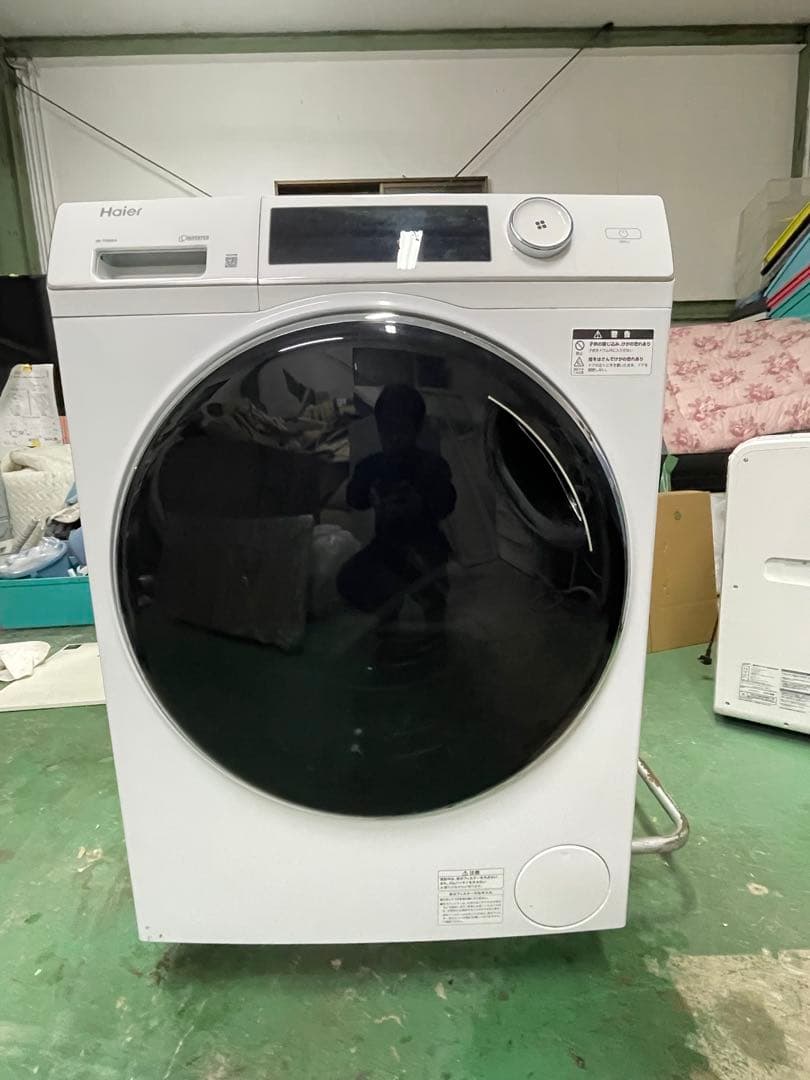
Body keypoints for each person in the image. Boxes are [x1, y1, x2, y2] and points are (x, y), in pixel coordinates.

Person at [337, 384, 456, 620]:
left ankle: (431, 614)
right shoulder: (372, 466)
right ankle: (389, 615)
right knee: (350, 580)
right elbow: (354, 499)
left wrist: (420, 504)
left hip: (425, 547)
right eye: (387, 428)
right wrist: (370, 494)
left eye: (401, 428)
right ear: (379, 427)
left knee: (433, 595)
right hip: (387, 547)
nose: (393, 437)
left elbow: (447, 502)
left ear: (416, 429)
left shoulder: (432, 466)